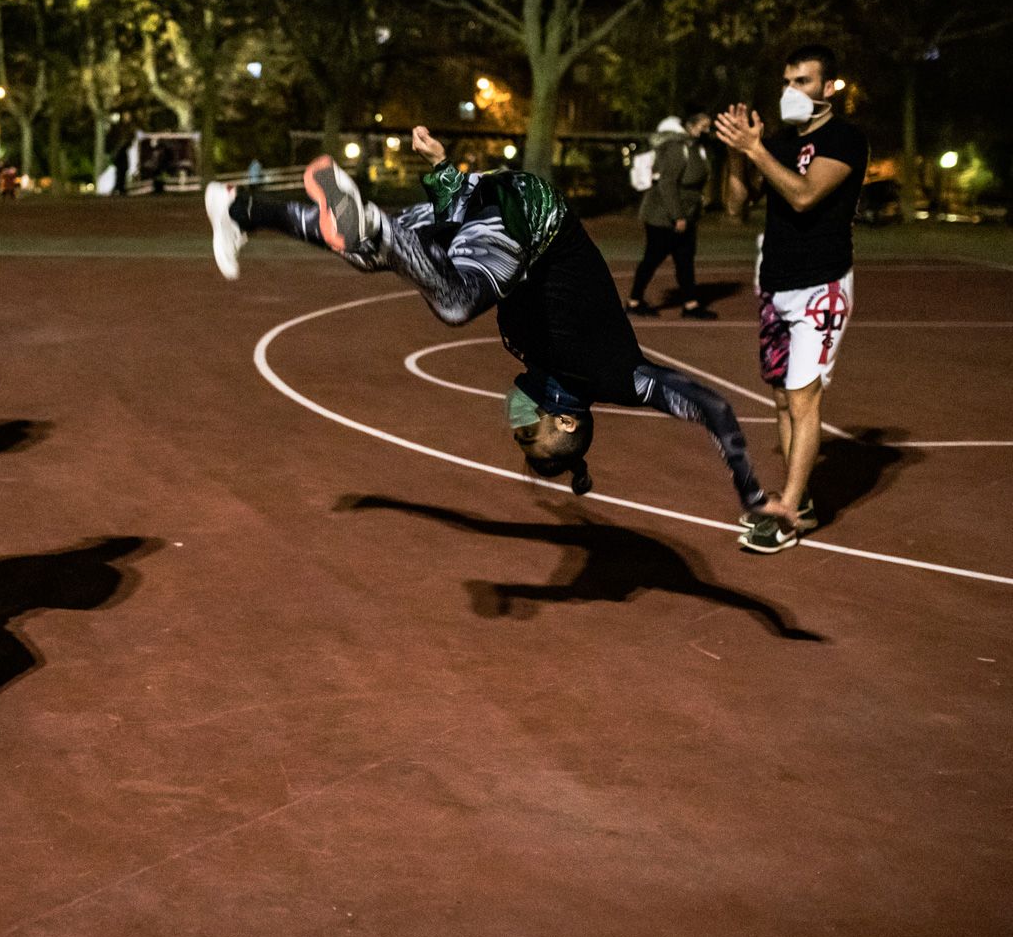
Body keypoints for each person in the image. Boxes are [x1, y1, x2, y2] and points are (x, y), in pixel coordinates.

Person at [206, 128, 798, 528]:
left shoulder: (534, 359)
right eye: (526, 434)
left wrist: (441, 170)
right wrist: (751, 496)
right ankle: (380, 228)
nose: (514, 423)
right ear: (565, 420)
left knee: (361, 251)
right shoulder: (620, 376)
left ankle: (238, 209)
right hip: (533, 220)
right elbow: (715, 409)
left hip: (477, 204)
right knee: (456, 304)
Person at [715, 44, 867, 554]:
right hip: (775, 284)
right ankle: (798, 503)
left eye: (803, 81)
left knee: (804, 399)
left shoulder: (845, 139)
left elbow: (803, 195)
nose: (791, 92)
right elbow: (736, 206)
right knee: (781, 398)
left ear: (829, 89)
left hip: (820, 287)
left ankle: (789, 514)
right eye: (787, 81)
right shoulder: (776, 142)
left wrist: (757, 151)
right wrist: (739, 153)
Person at [627, 109, 715, 318]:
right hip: (663, 216)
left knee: (685, 259)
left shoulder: (696, 148)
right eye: (704, 126)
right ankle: (634, 301)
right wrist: (678, 216)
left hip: (686, 212)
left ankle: (691, 304)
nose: (707, 130)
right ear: (691, 125)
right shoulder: (677, 148)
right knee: (653, 258)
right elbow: (667, 184)